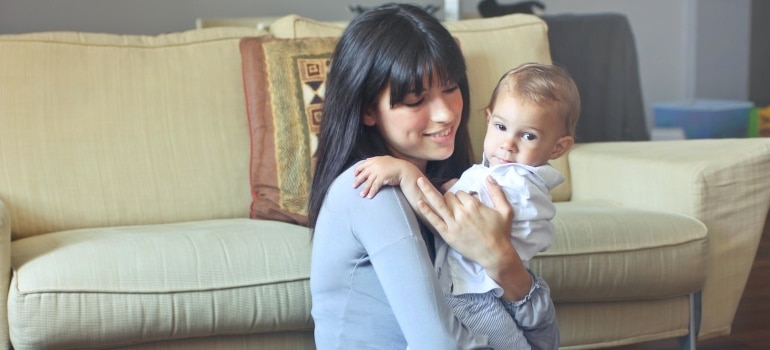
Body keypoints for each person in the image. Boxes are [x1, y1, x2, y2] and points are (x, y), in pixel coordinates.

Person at [308, 3, 558, 349]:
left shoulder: (460, 192)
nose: (445, 114)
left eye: (450, 87)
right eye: (415, 100)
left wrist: (503, 261)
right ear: (368, 109)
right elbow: (439, 344)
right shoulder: (369, 191)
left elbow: (546, 341)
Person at [353, 63, 580, 349]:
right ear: (488, 118)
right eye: (501, 127)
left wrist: (406, 173)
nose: (508, 144)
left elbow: (446, 217)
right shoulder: (506, 175)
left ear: (558, 148)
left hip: (473, 295)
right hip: (487, 288)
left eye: (528, 135)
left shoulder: (515, 182)